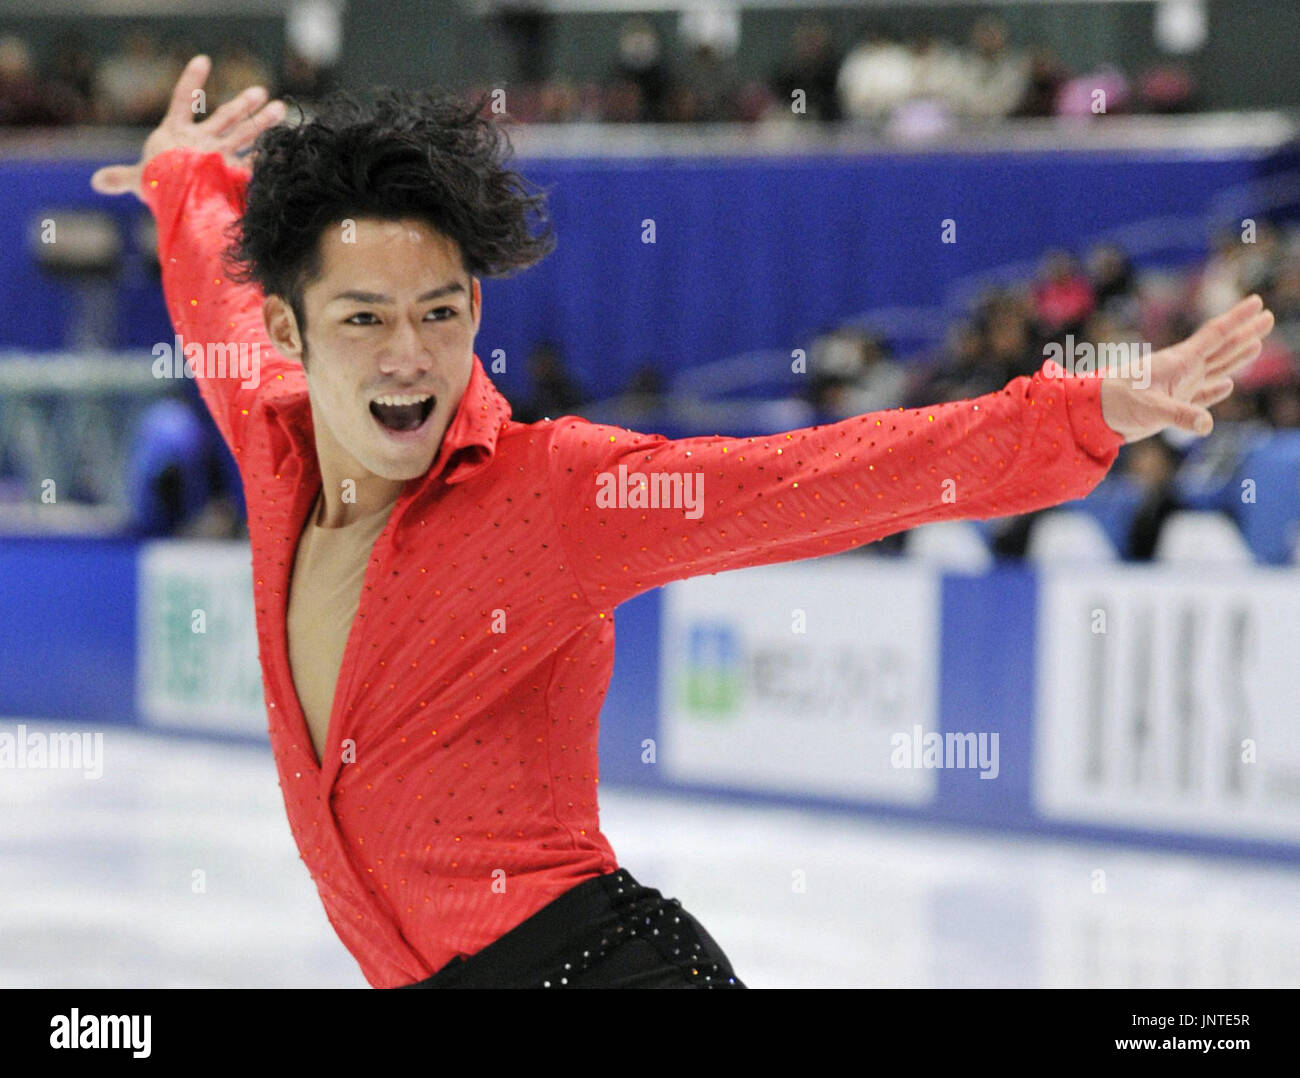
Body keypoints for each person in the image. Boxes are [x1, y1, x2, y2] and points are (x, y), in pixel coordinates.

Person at [91, 55, 1275, 989]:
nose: (410, 354)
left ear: (475, 309)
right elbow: (212, 288)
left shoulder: (554, 494)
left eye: (438, 311)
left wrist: (1080, 408)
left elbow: (819, 478)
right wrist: (181, 178)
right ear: (296, 335)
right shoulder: (271, 430)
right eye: (362, 319)